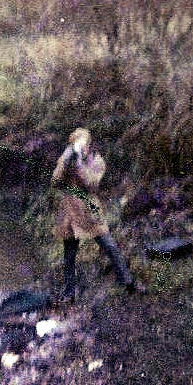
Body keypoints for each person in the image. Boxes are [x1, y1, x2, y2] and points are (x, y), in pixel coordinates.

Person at [51, 127, 140, 299]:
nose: (81, 147)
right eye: (77, 144)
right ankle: (69, 293)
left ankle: (128, 281)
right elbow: (55, 181)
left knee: (110, 246)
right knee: (69, 255)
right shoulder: (67, 158)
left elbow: (92, 184)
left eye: (83, 144)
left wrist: (78, 163)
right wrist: (65, 162)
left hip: (89, 209)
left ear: (89, 145)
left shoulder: (97, 160)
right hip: (69, 210)